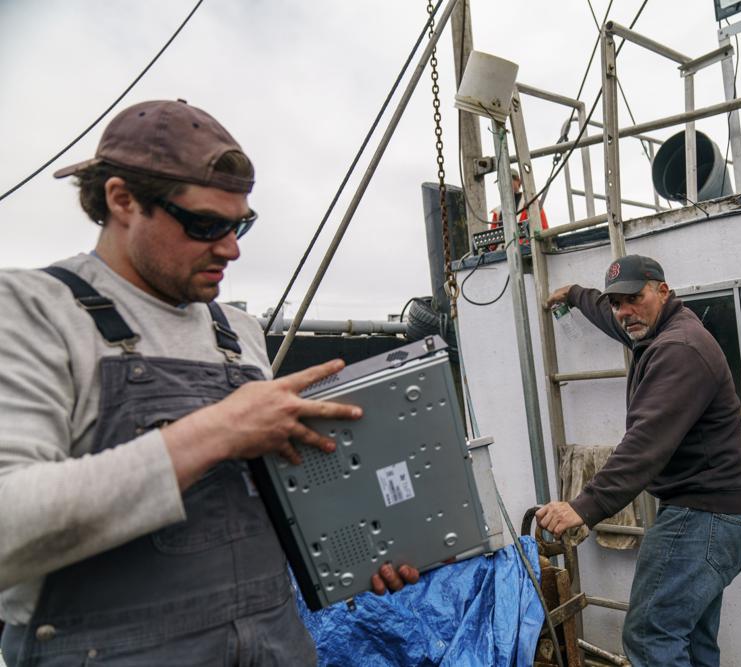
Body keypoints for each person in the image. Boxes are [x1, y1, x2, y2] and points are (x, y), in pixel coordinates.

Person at [0, 99, 417, 666]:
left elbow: (262, 512)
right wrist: (219, 430)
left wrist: (362, 545)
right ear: (122, 200)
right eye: (206, 225)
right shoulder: (30, 311)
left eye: (240, 224)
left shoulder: (239, 333)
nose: (232, 248)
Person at [536, 254, 741, 667]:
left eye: (634, 298)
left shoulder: (679, 349)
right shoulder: (659, 329)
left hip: (702, 517)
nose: (625, 312)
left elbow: (645, 443)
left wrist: (582, 507)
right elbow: (612, 316)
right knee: (691, 639)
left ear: (662, 291)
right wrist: (576, 295)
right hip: (722, 513)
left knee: (650, 634)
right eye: (617, 302)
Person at [489, 168, 548, 246]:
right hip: (504, 254)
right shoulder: (498, 211)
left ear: (518, 181)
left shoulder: (531, 202)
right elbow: (491, 243)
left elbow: (544, 229)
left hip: (527, 250)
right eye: (501, 182)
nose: (504, 185)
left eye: (509, 180)